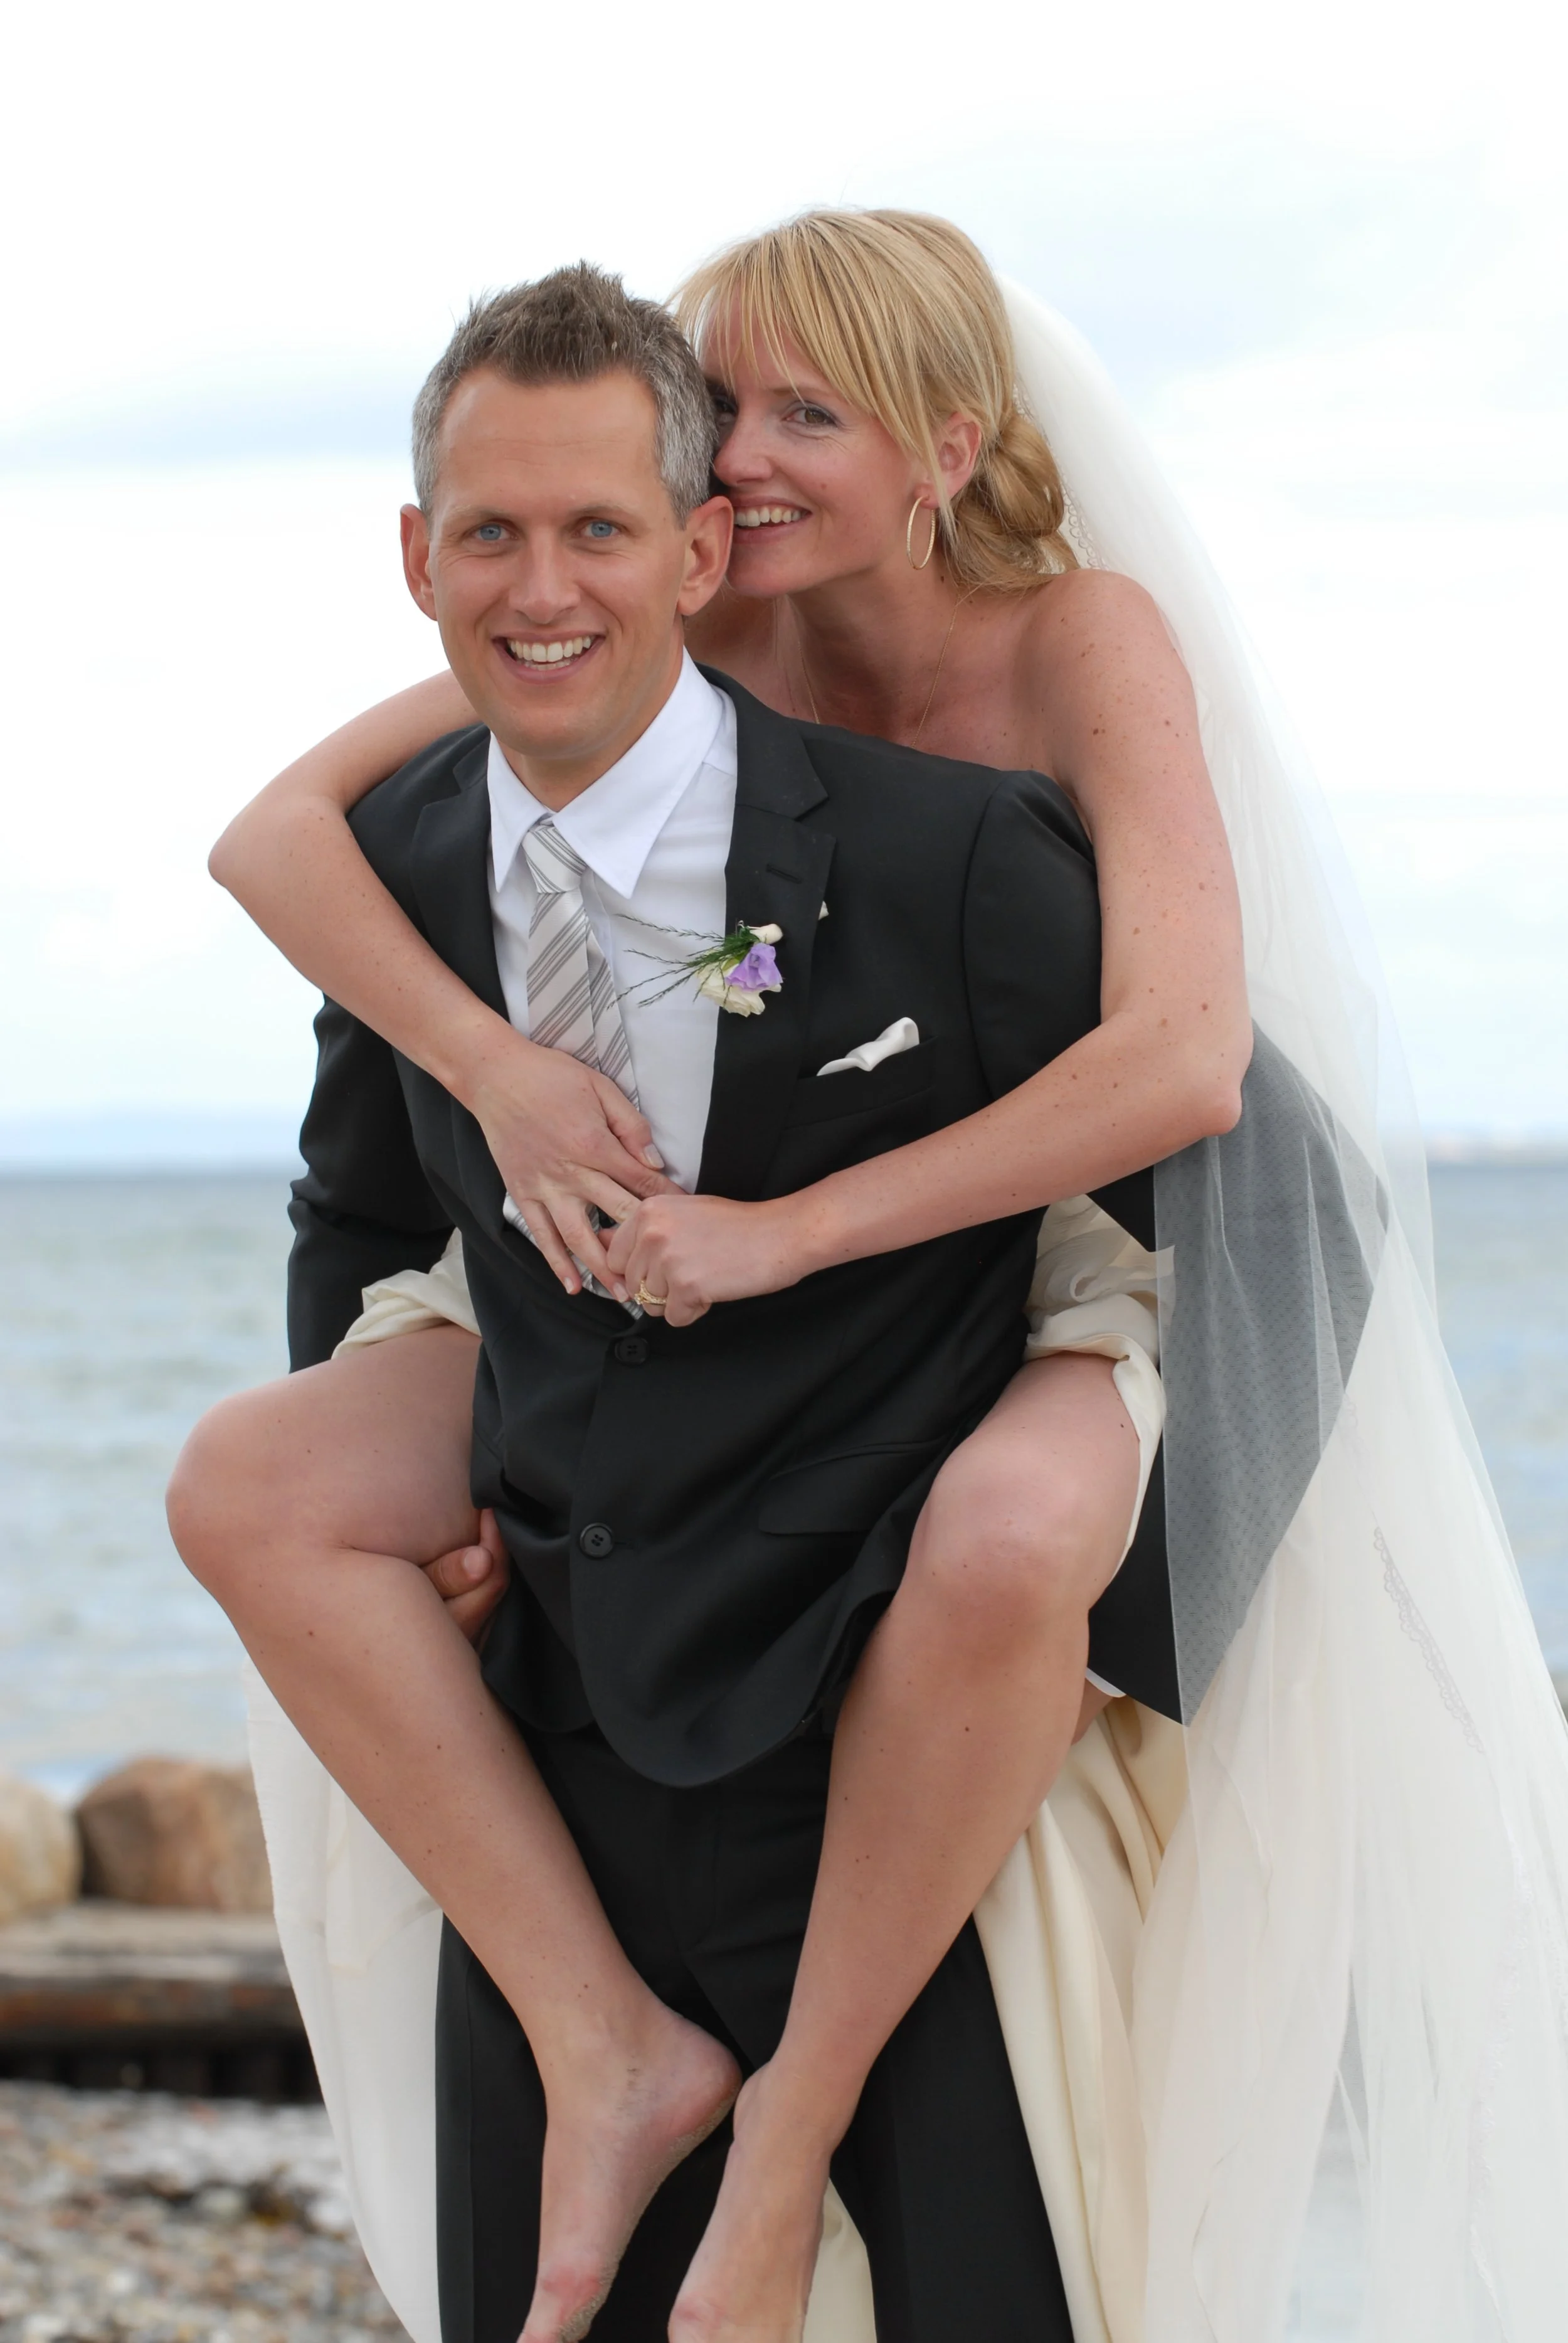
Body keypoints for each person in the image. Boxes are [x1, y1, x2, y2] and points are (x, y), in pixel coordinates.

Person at [178, 215, 1568, 2343]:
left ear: (947, 447)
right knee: (256, 1482)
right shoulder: (689, 608)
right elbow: (299, 832)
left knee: (1008, 1528)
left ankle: (796, 2130)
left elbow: (1183, 1064)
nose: (734, 461)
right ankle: (607, 2047)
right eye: (718, 407)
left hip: (1093, 1221)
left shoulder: (1074, 640)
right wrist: (506, 1078)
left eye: (797, 414)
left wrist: (788, 1234)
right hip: (749, 1264)